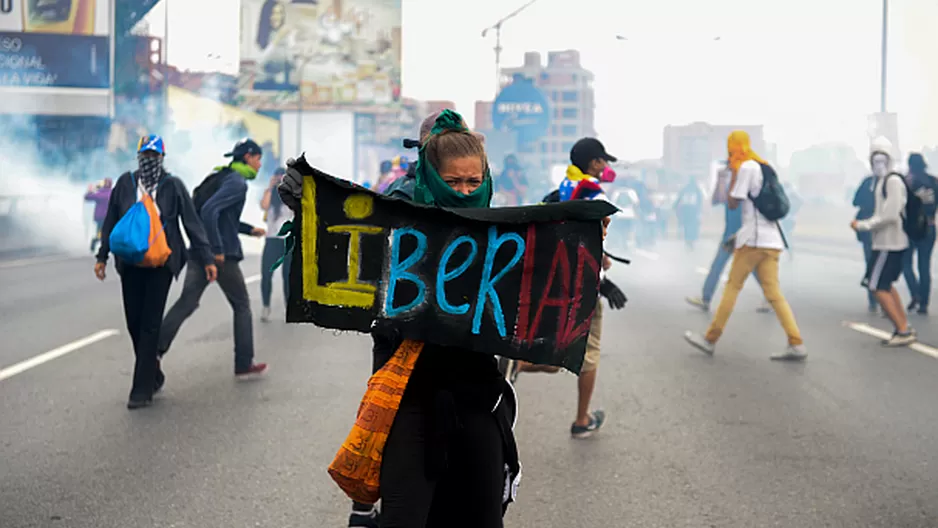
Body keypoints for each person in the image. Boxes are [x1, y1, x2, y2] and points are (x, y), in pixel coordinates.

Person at [94, 135, 217, 409]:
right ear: (138, 156)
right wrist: (102, 256)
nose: (149, 161)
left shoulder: (172, 186)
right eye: (145, 156)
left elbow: (192, 224)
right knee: (134, 323)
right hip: (130, 263)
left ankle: (141, 390)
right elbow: (111, 221)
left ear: (162, 158)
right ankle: (154, 372)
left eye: (154, 156)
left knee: (150, 323)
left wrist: (207, 258)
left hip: (162, 263)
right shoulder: (126, 183)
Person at [684, 131, 806, 361]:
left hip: (753, 241)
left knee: (732, 287)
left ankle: (710, 339)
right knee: (774, 293)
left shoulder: (746, 168)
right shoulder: (764, 166)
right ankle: (796, 343)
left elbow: (732, 203)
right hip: (772, 240)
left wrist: (732, 175)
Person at [157, 139, 269, 378]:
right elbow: (209, 212)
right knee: (242, 306)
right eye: (259, 159)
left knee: (187, 302)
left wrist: (249, 230)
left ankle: (154, 353)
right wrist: (216, 250)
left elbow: (218, 215)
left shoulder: (219, 176)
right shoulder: (237, 183)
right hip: (221, 257)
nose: (260, 165)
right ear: (248, 157)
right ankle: (243, 362)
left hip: (199, 251)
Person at [851, 141, 916, 345]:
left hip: (890, 242)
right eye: (875, 158)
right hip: (883, 242)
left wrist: (863, 225)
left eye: (882, 158)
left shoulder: (892, 181)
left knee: (876, 286)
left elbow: (889, 215)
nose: (878, 163)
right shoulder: (881, 181)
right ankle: (902, 326)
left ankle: (902, 330)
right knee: (884, 284)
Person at [686, 160, 763, 312]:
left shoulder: (745, 186)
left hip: (739, 233)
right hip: (731, 232)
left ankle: (705, 298)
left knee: (723, 265)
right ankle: (705, 298)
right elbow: (716, 200)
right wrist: (720, 180)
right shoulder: (731, 185)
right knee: (748, 266)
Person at [901, 153, 937, 315]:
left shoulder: (907, 181)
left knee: (906, 263)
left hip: (911, 228)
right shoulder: (934, 181)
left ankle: (915, 292)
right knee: (924, 266)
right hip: (929, 226)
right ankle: (924, 303)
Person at [259, 167, 293, 322]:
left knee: (288, 276)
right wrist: (270, 187)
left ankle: (289, 308)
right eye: (277, 176)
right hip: (272, 240)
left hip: (288, 240)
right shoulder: (271, 194)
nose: (280, 179)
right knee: (266, 275)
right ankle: (266, 306)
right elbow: (264, 206)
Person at [852, 168, 879, 312]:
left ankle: (873, 299)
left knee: (870, 262)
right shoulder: (891, 182)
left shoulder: (867, 182)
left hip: (868, 228)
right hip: (883, 228)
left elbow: (855, 201)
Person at [673, 174, 703, 249]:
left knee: (687, 225)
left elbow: (679, 198)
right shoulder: (697, 189)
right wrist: (699, 210)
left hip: (686, 210)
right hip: (693, 210)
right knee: (693, 225)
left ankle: (688, 239)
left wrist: (674, 206)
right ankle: (691, 240)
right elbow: (700, 201)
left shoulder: (685, 188)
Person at [85, 178, 113, 253]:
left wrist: (91, 190)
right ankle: (102, 246)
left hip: (100, 218)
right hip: (108, 217)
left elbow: (87, 197)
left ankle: (95, 243)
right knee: (107, 233)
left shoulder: (100, 193)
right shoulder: (112, 193)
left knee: (101, 234)